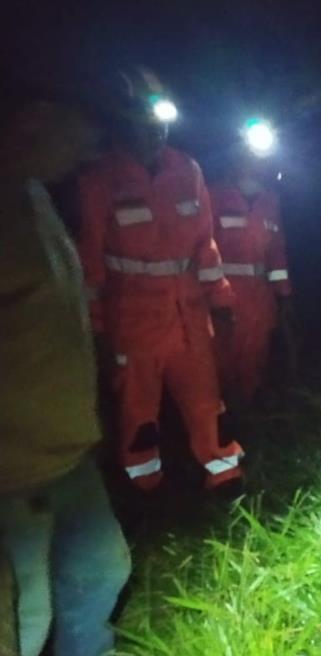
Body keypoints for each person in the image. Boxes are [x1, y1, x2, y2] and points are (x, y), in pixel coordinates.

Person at [0, 89, 132, 656]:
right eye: (79, 131)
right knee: (20, 632)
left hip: (66, 455)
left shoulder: (36, 196)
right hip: (14, 473)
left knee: (102, 568)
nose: (90, 150)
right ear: (30, 119)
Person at [78, 68, 244, 492]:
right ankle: (144, 485)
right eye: (144, 121)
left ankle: (224, 473)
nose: (155, 131)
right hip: (132, 324)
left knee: (207, 402)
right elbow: (90, 264)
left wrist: (221, 300)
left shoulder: (186, 169)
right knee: (138, 411)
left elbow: (205, 246)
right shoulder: (100, 180)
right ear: (123, 122)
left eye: (161, 121)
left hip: (188, 319)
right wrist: (97, 331)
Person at [209, 138, 295, 410]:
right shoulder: (212, 195)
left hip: (259, 299)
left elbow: (277, 253)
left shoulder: (270, 202)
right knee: (219, 362)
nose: (255, 165)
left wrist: (284, 296)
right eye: (249, 158)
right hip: (222, 295)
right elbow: (201, 246)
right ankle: (219, 421)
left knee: (254, 359)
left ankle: (246, 418)